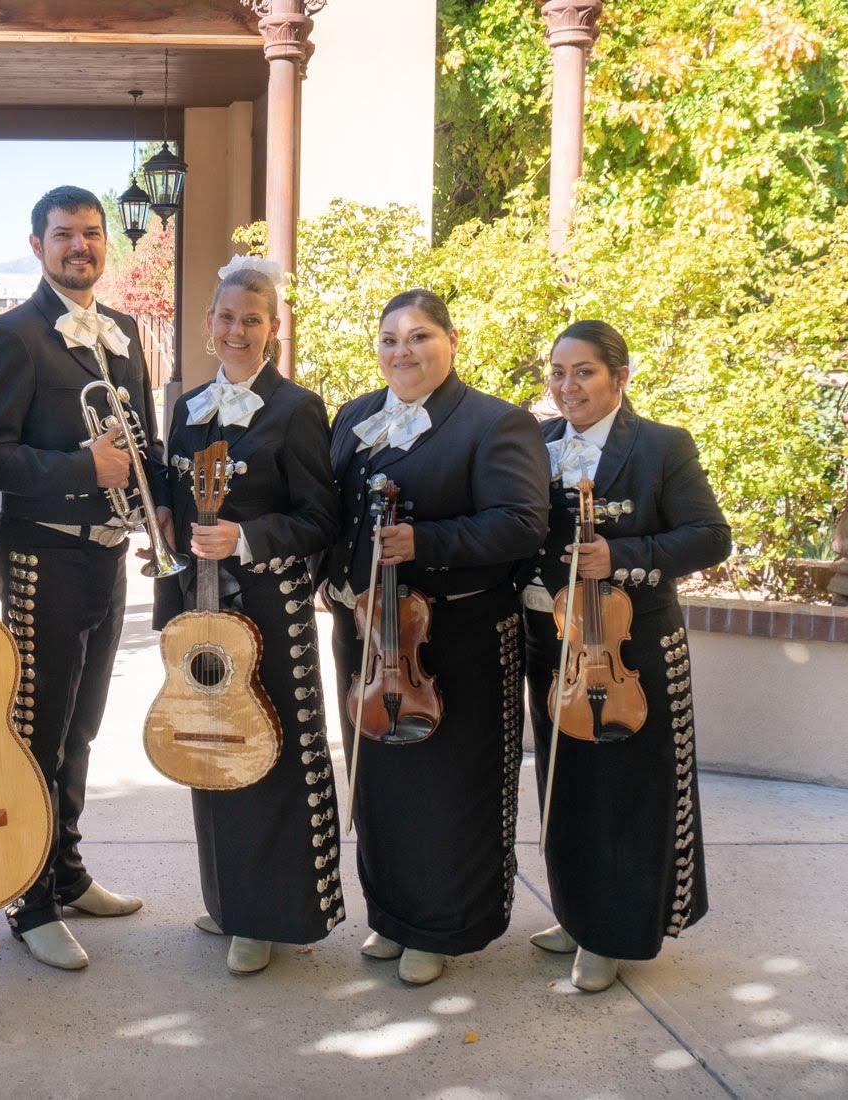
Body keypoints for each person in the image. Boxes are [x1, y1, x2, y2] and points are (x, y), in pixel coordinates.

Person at [324, 289, 548, 986]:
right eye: (390, 338)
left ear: (451, 341)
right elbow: (330, 511)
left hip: (458, 635)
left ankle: (445, 927)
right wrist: (333, 578)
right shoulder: (356, 416)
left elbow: (521, 524)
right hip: (368, 633)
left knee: (451, 787)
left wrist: (425, 540)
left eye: (419, 336)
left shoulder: (495, 423)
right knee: (383, 782)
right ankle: (393, 917)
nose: (403, 351)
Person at [0, 186, 157, 970]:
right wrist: (85, 465)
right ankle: (29, 901)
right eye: (65, 234)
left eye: (92, 234)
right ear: (36, 244)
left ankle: (66, 871)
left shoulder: (127, 330)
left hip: (107, 553)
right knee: (37, 732)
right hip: (42, 553)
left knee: (82, 728)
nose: (81, 246)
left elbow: (141, 436)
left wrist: (157, 506)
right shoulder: (8, 335)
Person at [520, 319, 730, 991]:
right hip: (557, 646)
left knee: (626, 791)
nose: (567, 385)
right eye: (557, 372)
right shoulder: (537, 442)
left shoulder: (662, 447)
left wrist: (626, 556)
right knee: (567, 785)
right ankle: (578, 913)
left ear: (620, 377)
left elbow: (710, 537)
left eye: (583, 371)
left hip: (631, 648)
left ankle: (615, 932)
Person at [154, 256, 342, 975]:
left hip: (267, 608)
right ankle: (230, 899)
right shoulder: (186, 407)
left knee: (271, 755)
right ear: (209, 325)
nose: (237, 331)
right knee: (209, 747)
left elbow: (320, 519)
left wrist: (249, 537)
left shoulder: (297, 409)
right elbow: (172, 493)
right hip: (198, 610)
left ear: (274, 330)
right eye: (226, 318)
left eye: (252, 320)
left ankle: (269, 914)